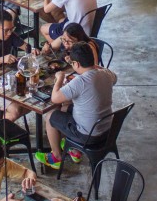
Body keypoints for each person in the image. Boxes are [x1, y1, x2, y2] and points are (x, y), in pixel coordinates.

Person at [38, 42, 117, 170]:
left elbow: (55, 98)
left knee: (51, 115)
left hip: (89, 136)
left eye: (72, 63)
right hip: (107, 130)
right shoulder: (106, 74)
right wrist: (95, 67)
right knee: (64, 108)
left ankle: (56, 157)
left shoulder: (80, 81)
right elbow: (115, 78)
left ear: (77, 64)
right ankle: (74, 150)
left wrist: (59, 78)